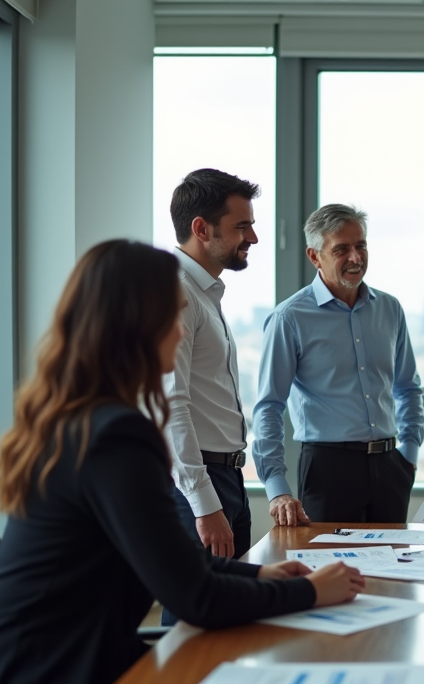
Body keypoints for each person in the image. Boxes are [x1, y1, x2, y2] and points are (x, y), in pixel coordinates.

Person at [0, 240, 363, 684]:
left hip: (47, 664)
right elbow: (194, 596)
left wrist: (262, 575)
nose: (179, 334)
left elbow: (176, 560)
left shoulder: (82, 420)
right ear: (137, 325)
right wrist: (312, 593)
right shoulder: (115, 437)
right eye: (171, 318)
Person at [254, 204, 424, 525]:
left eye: (361, 246)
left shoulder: (389, 309)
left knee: (393, 568)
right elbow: (269, 406)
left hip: (391, 467)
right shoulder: (289, 318)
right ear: (315, 256)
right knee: (330, 569)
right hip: (327, 469)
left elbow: (408, 388)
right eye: (342, 249)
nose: (356, 258)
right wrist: (276, 488)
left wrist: (409, 454)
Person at [162, 169, 259, 625]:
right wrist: (205, 505)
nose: (254, 237)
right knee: (193, 621)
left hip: (226, 476)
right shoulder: (176, 293)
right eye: (242, 226)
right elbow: (171, 405)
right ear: (202, 229)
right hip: (201, 482)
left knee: (227, 616)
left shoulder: (204, 293)